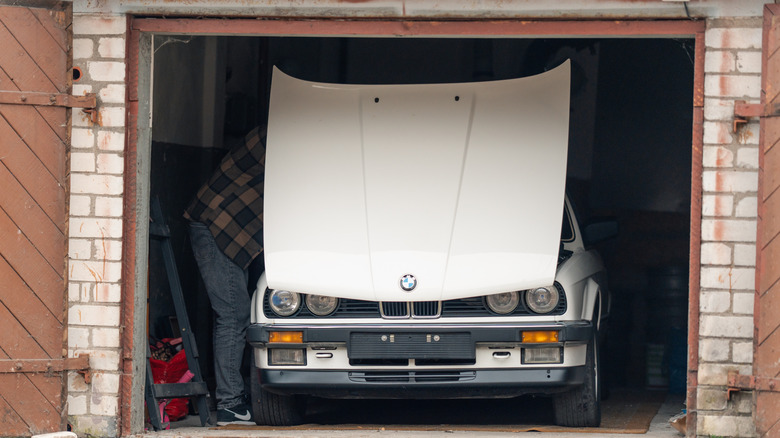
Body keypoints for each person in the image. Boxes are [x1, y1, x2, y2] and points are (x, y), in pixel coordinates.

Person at [184, 126, 265, 426]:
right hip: (215, 226)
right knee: (233, 315)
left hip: (223, 227)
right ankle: (230, 405)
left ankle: (236, 397)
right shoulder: (277, 139)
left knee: (236, 315)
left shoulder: (277, 135)